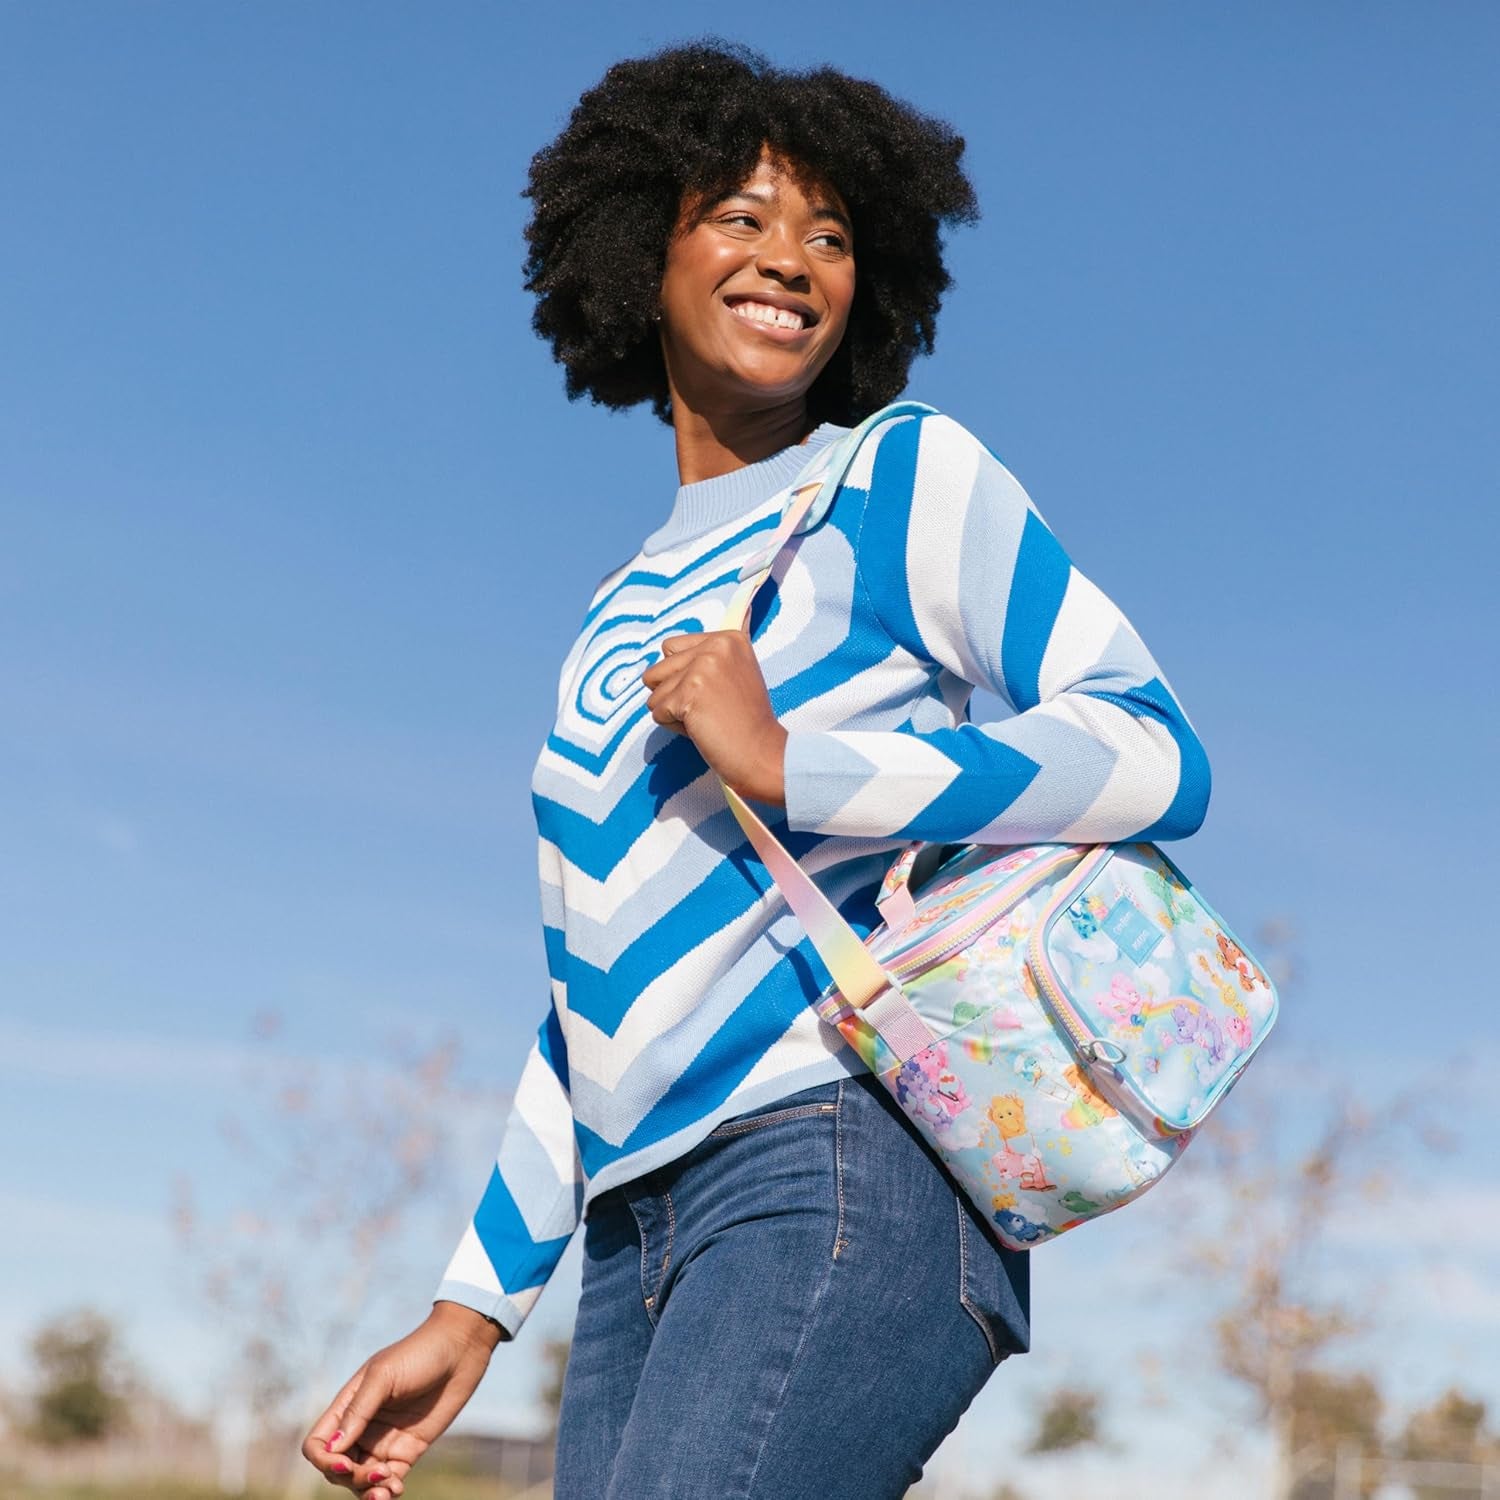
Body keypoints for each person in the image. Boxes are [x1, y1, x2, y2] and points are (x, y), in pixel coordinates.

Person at [301, 41, 1210, 1500]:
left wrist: (800, 764)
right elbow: (595, 995)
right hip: (629, 1234)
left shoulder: (901, 476)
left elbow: (1152, 747)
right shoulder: (609, 609)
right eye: (740, 214)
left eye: (832, 234)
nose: (792, 257)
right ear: (636, 254)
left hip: (834, 1165)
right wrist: (473, 1306)